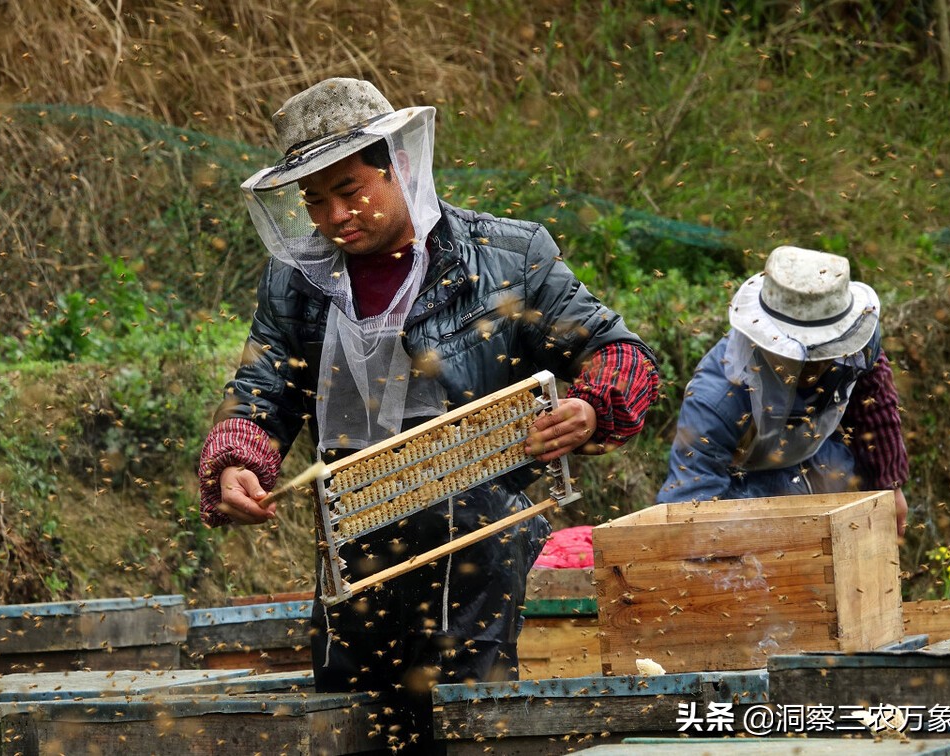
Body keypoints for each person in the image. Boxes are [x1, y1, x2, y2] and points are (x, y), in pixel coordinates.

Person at [197, 77, 659, 752]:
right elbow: (264, 388)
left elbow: (618, 351)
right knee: (361, 726)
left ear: (400, 166)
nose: (333, 216)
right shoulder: (296, 279)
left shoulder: (506, 255)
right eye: (315, 201)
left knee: (471, 720)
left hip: (481, 539)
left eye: (350, 191)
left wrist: (590, 408)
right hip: (357, 539)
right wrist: (239, 456)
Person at [657, 245, 908, 536]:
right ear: (766, 341)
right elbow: (689, 508)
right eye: (800, 355)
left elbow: (874, 399)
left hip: (821, 459)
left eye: (822, 353)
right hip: (744, 489)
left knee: (847, 499)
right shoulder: (716, 399)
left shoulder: (854, 349)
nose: (813, 365)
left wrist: (889, 485)